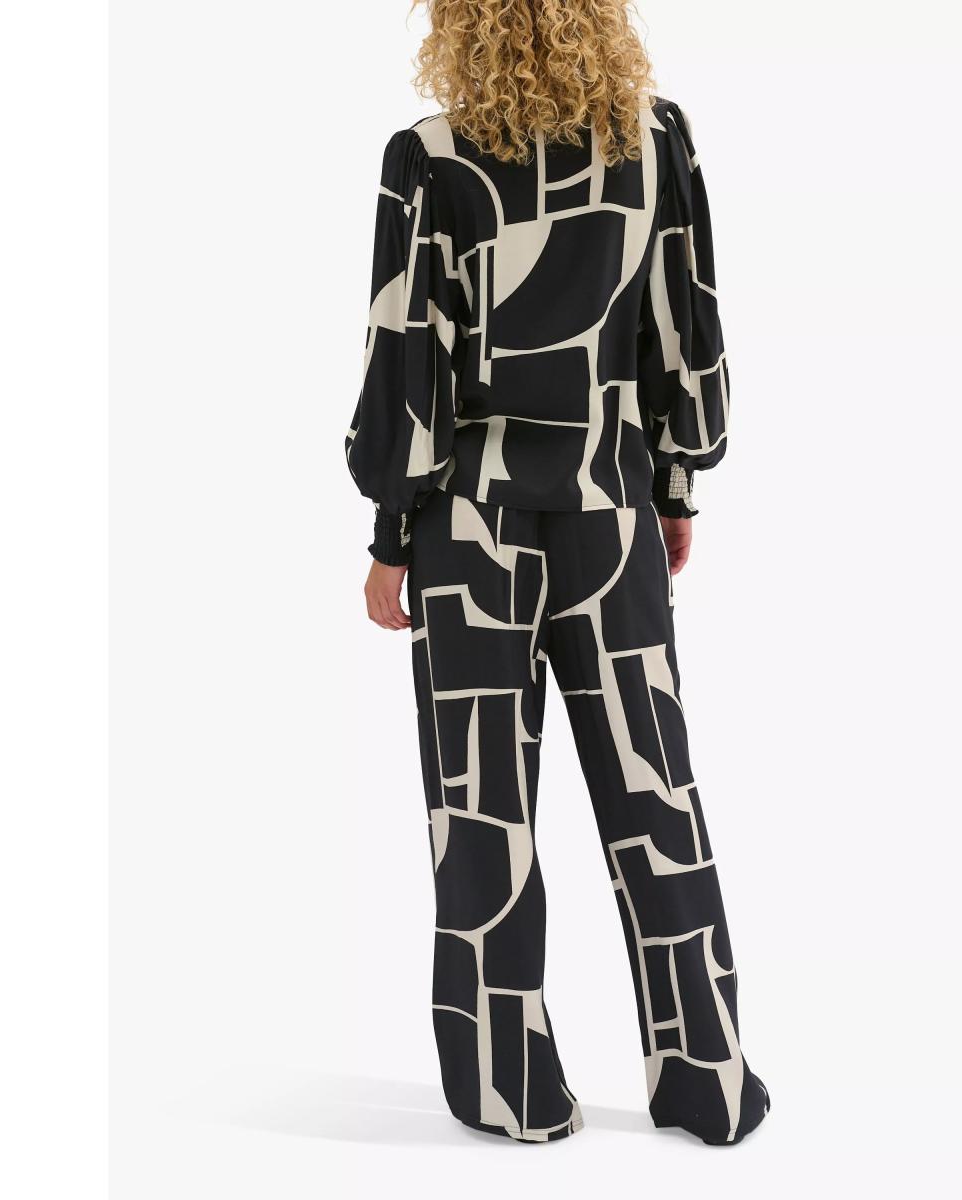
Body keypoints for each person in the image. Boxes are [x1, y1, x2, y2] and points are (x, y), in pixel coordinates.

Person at [344, 0, 770, 1146]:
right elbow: (686, 334)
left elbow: (407, 363)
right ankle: (708, 1077)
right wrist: (674, 487)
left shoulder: (431, 160)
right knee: (654, 793)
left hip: (469, 527)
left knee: (482, 809)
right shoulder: (655, 138)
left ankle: (510, 1090)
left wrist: (390, 536)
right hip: (608, 507)